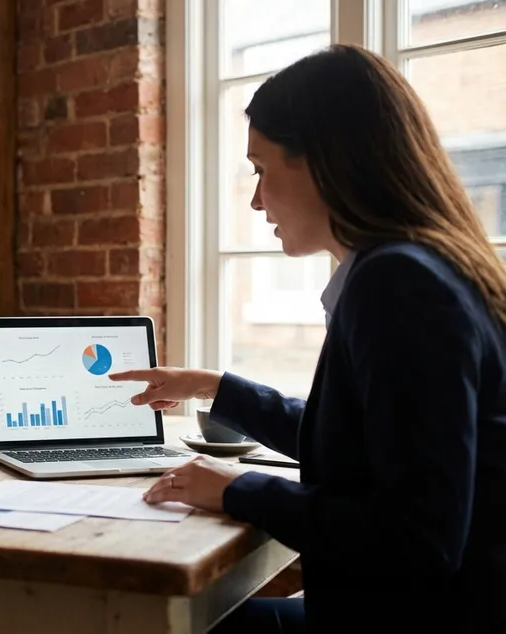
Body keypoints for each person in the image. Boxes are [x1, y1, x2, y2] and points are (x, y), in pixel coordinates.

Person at [111, 45, 506, 634]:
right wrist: (215, 388)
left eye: (261, 168)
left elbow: (417, 538)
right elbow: (362, 443)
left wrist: (243, 490)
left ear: (324, 161)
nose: (255, 198)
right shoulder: (422, 268)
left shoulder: (398, 285)